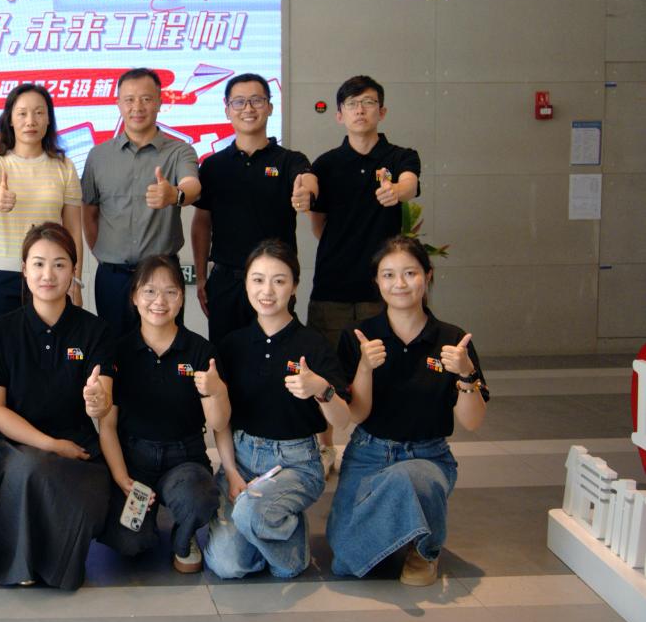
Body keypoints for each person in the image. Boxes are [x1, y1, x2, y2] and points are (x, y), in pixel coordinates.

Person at [328, 236, 489, 587]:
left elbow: (472, 420)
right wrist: (365, 367)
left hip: (427, 456)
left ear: (427, 276)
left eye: (410, 273)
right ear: (376, 281)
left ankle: (425, 549)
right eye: (388, 275)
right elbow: (355, 415)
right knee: (345, 560)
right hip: (368, 453)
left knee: (408, 478)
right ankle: (404, 524)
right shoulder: (358, 336)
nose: (399, 284)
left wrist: (465, 374)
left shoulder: (452, 339)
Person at [204, 240, 351, 579]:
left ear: (294, 285)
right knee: (227, 565)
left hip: (295, 463)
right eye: (258, 280)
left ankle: (285, 545)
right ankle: (273, 522)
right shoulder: (232, 345)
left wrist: (321, 389)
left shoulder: (313, 344)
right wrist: (232, 471)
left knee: (256, 523)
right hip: (241, 457)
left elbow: (343, 420)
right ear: (246, 284)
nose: (267, 291)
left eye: (279, 280)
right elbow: (222, 423)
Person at [0, 222, 114, 589]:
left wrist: (98, 402)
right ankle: (19, 564)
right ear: (24, 269)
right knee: (32, 468)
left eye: (59, 264)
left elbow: (102, 399)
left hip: (80, 448)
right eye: (38, 264)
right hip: (15, 445)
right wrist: (51, 445)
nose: (48, 275)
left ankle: (50, 561)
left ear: (73, 270)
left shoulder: (94, 331)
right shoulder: (2, 331)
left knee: (91, 502)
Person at [307, 74, 421, 474]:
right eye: (352, 104)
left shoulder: (400, 157)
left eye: (369, 103)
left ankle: (381, 446)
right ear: (339, 115)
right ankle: (325, 447)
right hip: (332, 286)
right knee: (326, 369)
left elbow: (409, 184)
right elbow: (318, 224)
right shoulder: (326, 164)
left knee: (385, 369)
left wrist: (397, 192)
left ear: (382, 111)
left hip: (382, 291)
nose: (361, 110)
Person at [98, 255, 228, 573]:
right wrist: (121, 477)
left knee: (200, 497)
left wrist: (216, 391)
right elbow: (107, 426)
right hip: (134, 461)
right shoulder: (119, 350)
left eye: (171, 292)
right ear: (134, 296)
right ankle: (146, 521)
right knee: (130, 544)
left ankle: (184, 536)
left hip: (185, 458)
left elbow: (219, 423)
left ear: (181, 299)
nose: (160, 301)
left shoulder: (200, 351)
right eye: (150, 291)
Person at [191, 74, 316, 344]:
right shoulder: (213, 166)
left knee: (277, 354)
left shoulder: (289, 160)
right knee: (224, 357)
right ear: (227, 110)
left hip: (273, 282)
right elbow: (201, 222)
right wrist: (201, 277)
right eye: (239, 102)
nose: (248, 108)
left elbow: (306, 179)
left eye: (257, 100)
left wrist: (306, 192)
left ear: (269, 107)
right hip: (226, 282)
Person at [82, 68, 200, 337]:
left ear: (159, 102)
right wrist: (103, 253)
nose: (137, 107)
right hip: (113, 278)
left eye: (146, 99)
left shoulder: (179, 151)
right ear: (118, 104)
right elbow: (89, 211)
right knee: (112, 348)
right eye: (129, 99)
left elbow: (192, 186)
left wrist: (175, 195)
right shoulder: (98, 156)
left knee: (165, 348)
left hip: (162, 276)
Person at [0, 83, 83, 327]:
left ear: (49, 119)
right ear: (10, 119)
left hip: (50, 273)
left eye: (39, 113)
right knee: (2, 344)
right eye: (22, 113)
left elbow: (74, 230)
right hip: (2, 273)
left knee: (51, 343)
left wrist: (75, 280)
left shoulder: (64, 165)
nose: (31, 121)